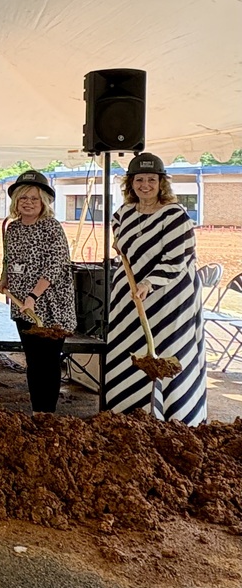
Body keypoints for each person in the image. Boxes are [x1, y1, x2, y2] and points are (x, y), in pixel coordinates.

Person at [105, 153, 206, 425]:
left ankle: (171, 417)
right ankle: (126, 412)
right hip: (131, 296)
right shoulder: (124, 212)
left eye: (152, 179)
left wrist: (149, 282)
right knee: (127, 346)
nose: (145, 185)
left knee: (165, 351)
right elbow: (119, 238)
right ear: (131, 183)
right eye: (139, 179)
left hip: (169, 298)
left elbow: (177, 258)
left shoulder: (174, 215)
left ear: (162, 183)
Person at [0, 170, 76, 413]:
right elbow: (9, 259)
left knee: (48, 361)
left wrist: (33, 297)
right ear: (15, 202)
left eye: (34, 198)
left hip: (51, 307)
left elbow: (56, 265)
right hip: (23, 307)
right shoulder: (13, 229)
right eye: (23, 198)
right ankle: (36, 411)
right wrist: (4, 279)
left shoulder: (51, 227)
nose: (28, 203)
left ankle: (47, 413)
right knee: (33, 360)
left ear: (44, 202)